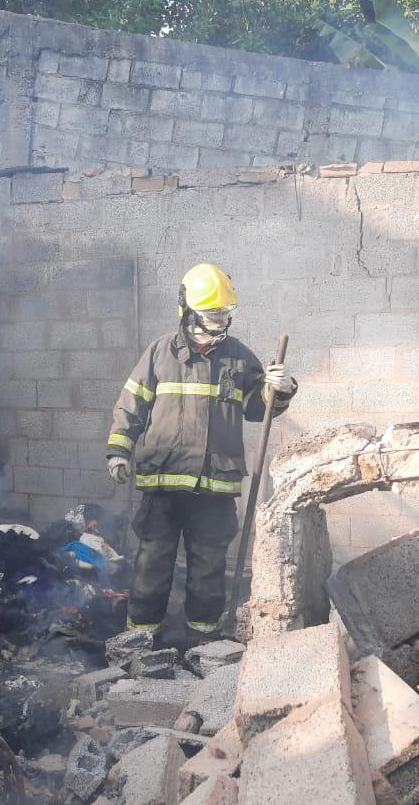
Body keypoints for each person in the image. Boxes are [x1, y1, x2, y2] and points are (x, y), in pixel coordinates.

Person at [105, 263, 297, 638]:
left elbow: (258, 409)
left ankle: (203, 641)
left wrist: (280, 389)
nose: (222, 321)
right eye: (214, 314)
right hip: (162, 483)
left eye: (226, 313)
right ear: (190, 311)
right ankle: (140, 639)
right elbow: (131, 405)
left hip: (214, 486)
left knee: (209, 569)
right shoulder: (160, 353)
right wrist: (118, 451)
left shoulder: (239, 357)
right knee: (152, 564)